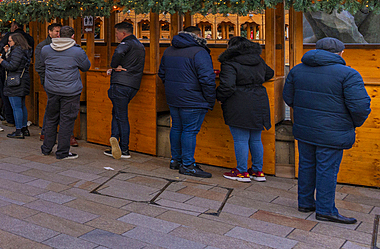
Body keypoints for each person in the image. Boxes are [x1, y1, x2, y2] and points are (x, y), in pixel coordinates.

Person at [284, 37, 371, 224]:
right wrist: (352, 123)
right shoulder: (348, 74)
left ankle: (305, 203)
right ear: (341, 53)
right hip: (333, 131)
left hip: (305, 128)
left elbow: (288, 98)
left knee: (306, 165)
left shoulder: (297, 70)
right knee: (327, 169)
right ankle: (325, 209)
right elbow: (360, 107)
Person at [158, 26, 216, 178]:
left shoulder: (169, 50)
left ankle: (175, 160)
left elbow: (162, 73)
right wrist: (210, 99)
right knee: (189, 131)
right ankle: (188, 164)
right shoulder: (199, 52)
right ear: (198, 35)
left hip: (173, 97)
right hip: (193, 99)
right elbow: (207, 79)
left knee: (177, 127)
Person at [216, 36, 274, 183]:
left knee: (240, 139)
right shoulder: (258, 60)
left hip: (239, 101)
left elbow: (227, 85)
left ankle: (241, 171)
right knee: (255, 138)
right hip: (259, 100)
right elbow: (270, 73)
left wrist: (219, 97)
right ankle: (257, 171)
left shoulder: (229, 63)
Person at [39, 25, 90, 159]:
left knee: (51, 119)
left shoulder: (46, 50)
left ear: (58, 35)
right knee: (66, 121)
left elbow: (44, 63)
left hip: (52, 89)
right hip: (71, 91)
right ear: (72, 36)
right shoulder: (77, 52)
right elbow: (86, 67)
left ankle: (46, 148)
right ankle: (62, 152)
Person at [105, 21, 145, 159]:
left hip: (120, 84)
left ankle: (124, 149)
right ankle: (114, 140)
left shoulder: (125, 44)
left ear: (123, 33)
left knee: (121, 116)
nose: (116, 36)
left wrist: (114, 65)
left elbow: (119, 52)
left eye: (116, 33)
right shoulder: (140, 45)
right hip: (133, 85)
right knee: (117, 113)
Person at [0, 33, 31, 139]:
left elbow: (12, 66)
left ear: (16, 41)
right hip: (23, 80)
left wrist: (1, 61)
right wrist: (7, 53)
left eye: (10, 41)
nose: (8, 43)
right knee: (22, 106)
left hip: (15, 82)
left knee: (16, 107)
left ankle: (18, 131)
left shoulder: (17, 50)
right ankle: (24, 128)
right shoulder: (24, 50)